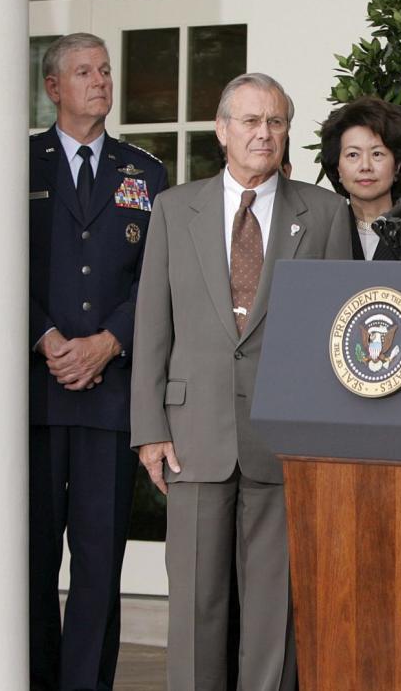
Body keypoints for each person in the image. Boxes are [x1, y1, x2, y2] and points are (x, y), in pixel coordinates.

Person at [131, 72, 352, 690]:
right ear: (222, 131)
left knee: (272, 614)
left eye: (276, 122)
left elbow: (337, 338)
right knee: (196, 607)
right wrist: (149, 428)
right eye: (251, 122)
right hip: (193, 433)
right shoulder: (176, 208)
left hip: (284, 441)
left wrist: (324, 436)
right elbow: (153, 323)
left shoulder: (326, 213)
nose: (264, 134)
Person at [28, 32, 168, 691]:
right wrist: (45, 337)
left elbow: (159, 278)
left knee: (96, 565)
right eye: (85, 71)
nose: (101, 81)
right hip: (34, 396)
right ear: (54, 87)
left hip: (111, 395)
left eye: (106, 70)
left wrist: (109, 341)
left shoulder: (145, 172)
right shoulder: (17, 164)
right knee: (27, 563)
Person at [320, 97, 401, 260]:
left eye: (377, 154)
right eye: (353, 155)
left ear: (397, 165)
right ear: (338, 168)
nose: (365, 166)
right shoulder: (320, 232)